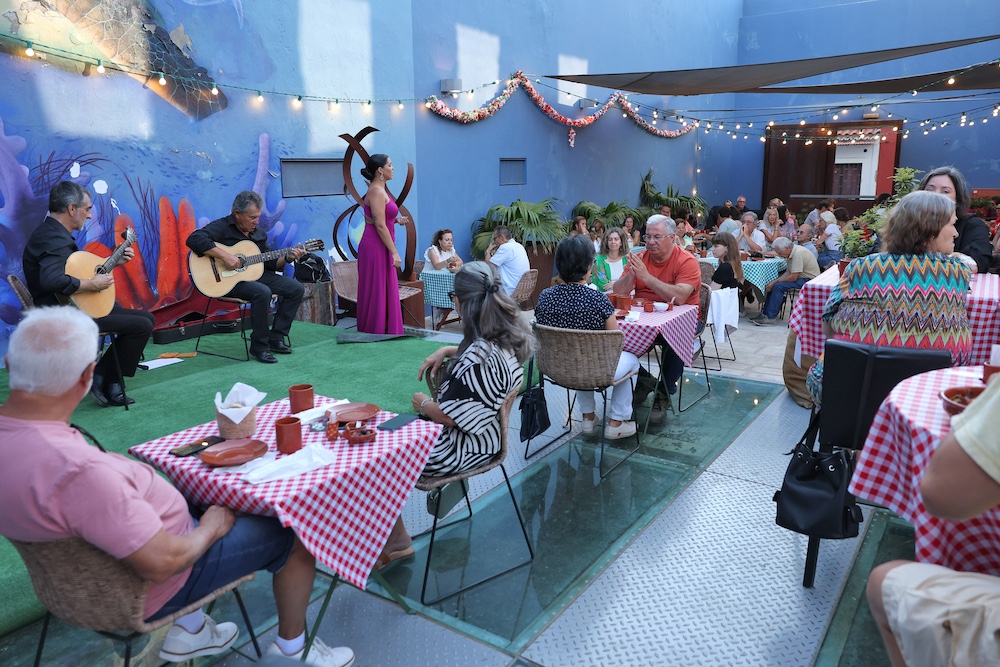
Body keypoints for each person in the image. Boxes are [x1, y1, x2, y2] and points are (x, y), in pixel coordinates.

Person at [0, 306, 354, 666]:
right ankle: (294, 651)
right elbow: (163, 562)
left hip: (76, 585)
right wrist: (211, 530)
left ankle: (194, 631)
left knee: (200, 492)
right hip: (156, 582)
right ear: (86, 377)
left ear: (11, 365)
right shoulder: (77, 470)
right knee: (293, 529)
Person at [376, 262, 532, 568]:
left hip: (457, 449)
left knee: (373, 449)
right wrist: (449, 351)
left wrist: (422, 404)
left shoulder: (478, 358)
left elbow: (451, 418)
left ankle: (393, 540)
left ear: (460, 302)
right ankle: (396, 539)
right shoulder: (507, 339)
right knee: (386, 428)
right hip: (488, 439)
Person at [866, 376, 1000, 667]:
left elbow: (940, 495)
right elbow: (961, 355)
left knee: (881, 582)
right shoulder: (957, 330)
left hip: (855, 412)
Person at [805, 191, 973, 406]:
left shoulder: (860, 266)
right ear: (931, 229)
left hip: (849, 395)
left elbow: (828, 328)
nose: (956, 234)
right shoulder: (957, 272)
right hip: (927, 398)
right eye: (952, 225)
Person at [23, 181, 154, 406]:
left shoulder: (53, 234)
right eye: (88, 209)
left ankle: (106, 376)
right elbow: (51, 279)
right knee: (141, 326)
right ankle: (104, 377)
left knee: (147, 318)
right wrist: (93, 285)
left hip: (70, 306)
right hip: (62, 314)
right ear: (72, 209)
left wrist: (113, 262)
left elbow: (71, 271)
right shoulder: (53, 238)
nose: (90, 215)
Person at [536, 236, 639, 440]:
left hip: (555, 368)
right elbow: (615, 343)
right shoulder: (598, 299)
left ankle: (588, 417)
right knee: (631, 360)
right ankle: (617, 421)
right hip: (592, 369)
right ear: (588, 266)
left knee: (581, 356)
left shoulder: (545, 296)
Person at [187, 190, 305, 363]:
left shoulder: (259, 234)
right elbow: (194, 239)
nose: (256, 222)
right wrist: (224, 256)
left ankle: (276, 337)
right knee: (262, 292)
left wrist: (287, 257)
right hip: (227, 280)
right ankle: (260, 347)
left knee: (296, 289)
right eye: (252, 217)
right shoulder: (222, 226)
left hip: (255, 276)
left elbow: (269, 263)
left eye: (257, 217)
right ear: (237, 214)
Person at [612, 215, 701, 423]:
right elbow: (618, 293)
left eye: (656, 237)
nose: (650, 242)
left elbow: (680, 297)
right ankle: (645, 381)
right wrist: (633, 275)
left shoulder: (686, 261)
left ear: (672, 237)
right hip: (645, 318)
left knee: (674, 338)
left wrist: (647, 277)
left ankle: (663, 392)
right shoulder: (640, 258)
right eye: (647, 237)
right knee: (614, 336)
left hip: (683, 319)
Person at [356, 154, 407, 335]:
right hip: (376, 246)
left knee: (382, 286)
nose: (393, 168)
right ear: (380, 170)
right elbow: (379, 224)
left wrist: (396, 220)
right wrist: (395, 253)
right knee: (377, 287)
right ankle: (375, 329)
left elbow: (382, 218)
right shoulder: (376, 191)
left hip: (381, 243)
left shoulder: (379, 189)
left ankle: (383, 328)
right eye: (390, 165)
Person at [919, 165, 993, 273]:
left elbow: (977, 262)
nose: (936, 196)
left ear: (957, 197)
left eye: (945, 192)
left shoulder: (972, 225)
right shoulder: (911, 222)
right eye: (930, 190)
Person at [750, 237, 820, 326]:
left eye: (780, 253)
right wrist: (773, 281)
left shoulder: (798, 254)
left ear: (787, 248)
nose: (779, 255)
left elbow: (793, 277)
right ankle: (765, 314)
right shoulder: (792, 252)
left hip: (809, 280)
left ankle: (770, 317)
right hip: (801, 277)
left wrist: (775, 282)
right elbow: (788, 272)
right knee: (772, 285)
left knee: (778, 286)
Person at [485, 225, 529, 296]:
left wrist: (488, 251)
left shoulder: (505, 247)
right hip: (523, 288)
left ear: (502, 237)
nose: (494, 241)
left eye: (494, 238)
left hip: (509, 290)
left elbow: (488, 266)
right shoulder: (519, 246)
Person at [591, 227, 629, 292]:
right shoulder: (598, 260)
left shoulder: (627, 259)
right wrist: (621, 284)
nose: (613, 242)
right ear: (606, 242)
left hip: (625, 295)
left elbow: (630, 282)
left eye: (616, 239)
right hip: (605, 297)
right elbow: (603, 285)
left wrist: (614, 284)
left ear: (621, 242)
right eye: (610, 239)